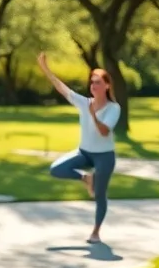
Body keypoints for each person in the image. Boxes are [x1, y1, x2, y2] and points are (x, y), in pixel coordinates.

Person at [38, 52, 120, 244]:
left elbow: (104, 132)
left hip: (104, 157)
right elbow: (62, 88)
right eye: (92, 82)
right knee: (56, 169)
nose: (93, 85)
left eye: (98, 82)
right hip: (84, 152)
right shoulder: (84, 102)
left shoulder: (113, 108)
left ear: (107, 86)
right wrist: (45, 69)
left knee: (100, 194)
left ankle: (96, 232)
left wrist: (93, 114)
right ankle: (85, 177)